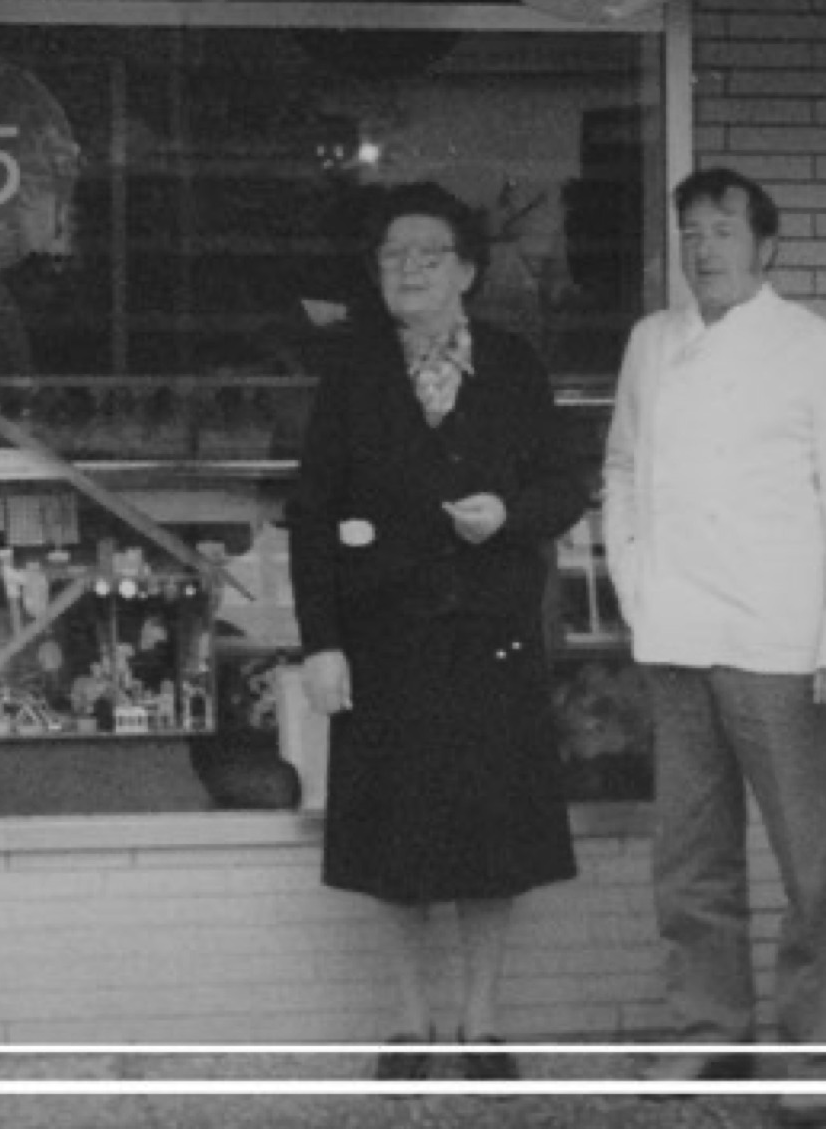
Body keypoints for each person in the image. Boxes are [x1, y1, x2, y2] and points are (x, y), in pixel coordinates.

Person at [603, 167, 826, 1128]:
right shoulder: (653, 343)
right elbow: (622, 468)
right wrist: (637, 585)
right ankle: (707, 1028)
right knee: (690, 856)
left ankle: (818, 1051)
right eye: (691, 231)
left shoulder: (817, 350)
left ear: (766, 247)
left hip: (780, 641)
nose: (704, 247)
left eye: (723, 230)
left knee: (810, 859)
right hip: (677, 634)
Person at [288, 182, 586, 1082]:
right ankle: (413, 1027)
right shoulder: (351, 370)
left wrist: (511, 513)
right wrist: (322, 641)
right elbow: (312, 513)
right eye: (392, 256)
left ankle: (481, 1026)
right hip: (384, 642)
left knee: (493, 844)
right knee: (396, 843)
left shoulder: (514, 364)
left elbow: (566, 488)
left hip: (491, 637)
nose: (408, 269)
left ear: (466, 270)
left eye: (427, 254)